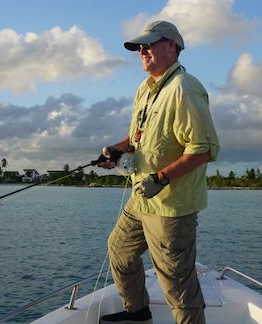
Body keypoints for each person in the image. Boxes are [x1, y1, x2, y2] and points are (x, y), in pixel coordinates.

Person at [97, 21, 220, 324]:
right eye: (140, 47)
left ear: (171, 46)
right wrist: (117, 148)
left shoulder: (185, 90)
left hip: (170, 207)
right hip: (141, 197)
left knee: (177, 284)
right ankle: (138, 313)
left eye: (149, 44)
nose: (142, 51)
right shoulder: (145, 88)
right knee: (120, 252)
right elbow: (139, 135)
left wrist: (161, 178)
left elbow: (204, 149)